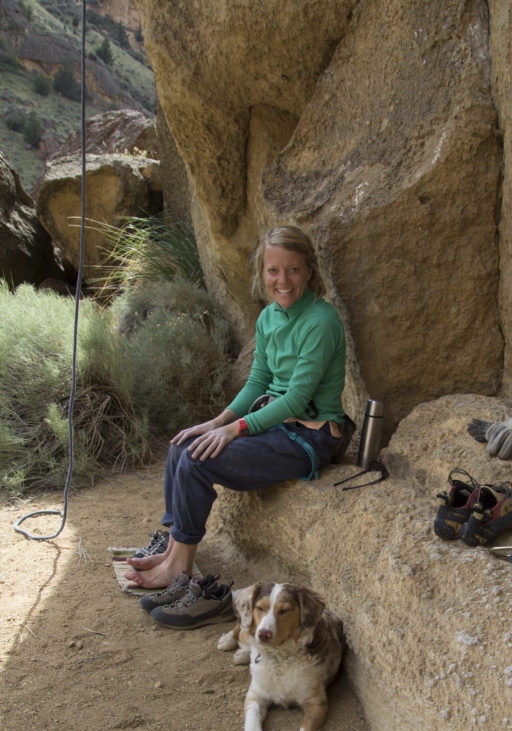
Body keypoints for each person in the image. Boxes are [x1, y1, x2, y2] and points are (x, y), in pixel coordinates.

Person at [125, 225, 347, 622]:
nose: (282, 280)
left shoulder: (321, 321)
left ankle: (180, 566)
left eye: (293, 270)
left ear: (309, 271)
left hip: (307, 438)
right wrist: (217, 421)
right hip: (275, 424)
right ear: (262, 273)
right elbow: (258, 382)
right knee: (183, 444)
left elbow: (297, 400)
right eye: (273, 271)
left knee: (197, 460)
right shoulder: (268, 318)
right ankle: (175, 552)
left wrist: (234, 430)